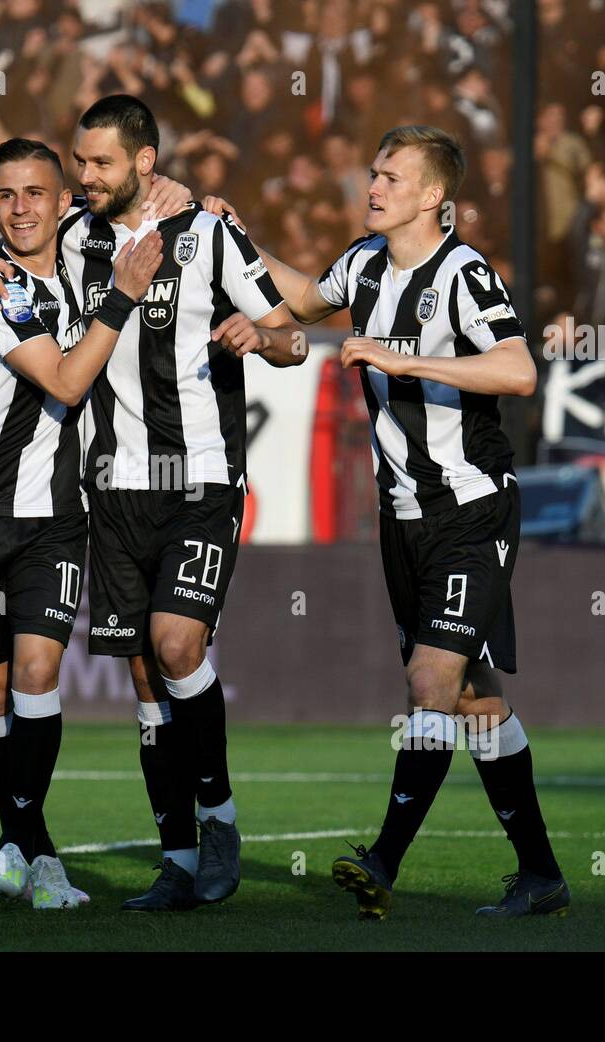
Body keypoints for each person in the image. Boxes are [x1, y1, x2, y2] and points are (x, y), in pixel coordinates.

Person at [202, 124, 567, 920]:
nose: (372, 187)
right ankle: (541, 876)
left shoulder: (464, 273)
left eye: (390, 177)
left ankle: (383, 861)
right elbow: (301, 298)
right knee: (474, 701)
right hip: (401, 521)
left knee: (429, 681)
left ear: (434, 198)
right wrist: (233, 238)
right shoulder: (366, 263)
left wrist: (407, 361)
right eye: (373, 173)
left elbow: (518, 369)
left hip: (470, 509)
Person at [0, 94, 304, 912]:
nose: (83, 177)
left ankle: (219, 818)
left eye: (99, 163)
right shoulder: (76, 237)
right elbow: (13, 242)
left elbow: (293, 334)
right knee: (147, 677)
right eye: (79, 163)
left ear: (144, 164)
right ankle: (178, 859)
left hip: (202, 481)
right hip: (110, 490)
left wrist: (266, 338)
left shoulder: (209, 233)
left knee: (177, 644)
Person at [0, 136, 162, 909]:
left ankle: (21, 852)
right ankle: (37, 849)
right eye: (4, 196)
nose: (20, 208)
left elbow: (148, 194)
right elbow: (61, 378)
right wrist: (120, 300)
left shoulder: (91, 257)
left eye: (34, 193)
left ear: (65, 201)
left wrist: (202, 204)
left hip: (57, 519)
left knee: (36, 675)